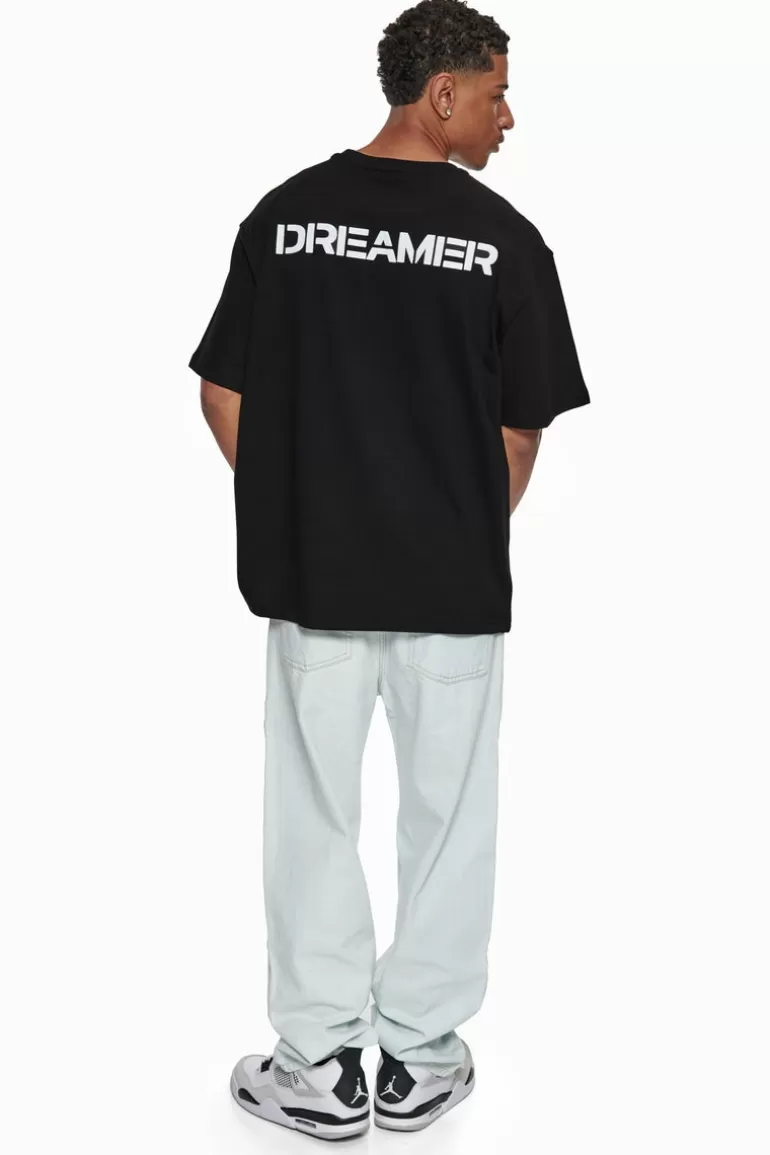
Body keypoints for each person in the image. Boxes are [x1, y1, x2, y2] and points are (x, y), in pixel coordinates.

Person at [188, 0, 590, 1140]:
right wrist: (445, 525)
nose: (507, 116)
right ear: (441, 93)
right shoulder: (504, 241)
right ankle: (417, 1058)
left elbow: (222, 391)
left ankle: (317, 1065)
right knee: (449, 819)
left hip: (315, 580)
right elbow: (520, 434)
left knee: (310, 811)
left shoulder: (283, 219)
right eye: (496, 92)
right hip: (449, 590)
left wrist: (308, 507)